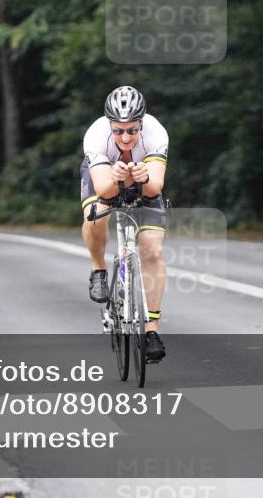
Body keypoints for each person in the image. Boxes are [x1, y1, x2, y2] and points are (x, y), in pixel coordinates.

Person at [81, 86, 169, 361]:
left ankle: (151, 330)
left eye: (132, 130)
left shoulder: (156, 133)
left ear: (142, 123)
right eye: (118, 130)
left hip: (143, 183)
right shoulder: (96, 136)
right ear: (110, 125)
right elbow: (105, 191)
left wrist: (141, 178)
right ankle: (98, 269)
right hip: (106, 177)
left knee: (152, 250)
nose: (126, 136)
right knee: (93, 215)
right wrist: (117, 178)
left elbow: (154, 189)